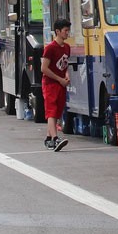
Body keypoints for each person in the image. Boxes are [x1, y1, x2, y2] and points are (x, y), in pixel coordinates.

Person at [40, 18, 72, 152]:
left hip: (61, 84)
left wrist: (66, 76)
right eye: (65, 30)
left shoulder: (66, 47)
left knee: (57, 111)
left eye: (68, 30)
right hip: (50, 84)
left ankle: (48, 138)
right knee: (51, 111)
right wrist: (59, 79)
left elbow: (65, 65)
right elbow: (44, 68)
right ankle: (55, 138)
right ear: (57, 32)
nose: (67, 33)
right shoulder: (50, 48)